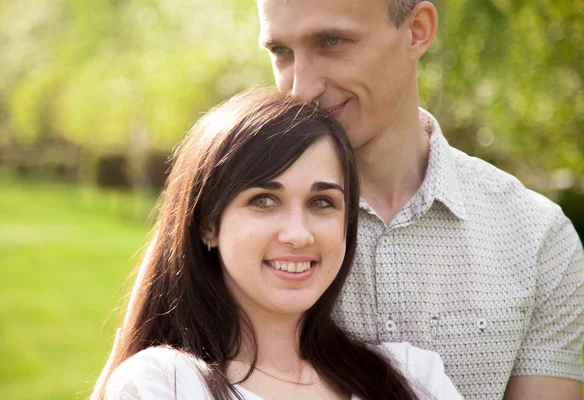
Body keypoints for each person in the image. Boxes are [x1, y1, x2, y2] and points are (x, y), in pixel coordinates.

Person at [253, 0, 584, 399]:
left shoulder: (537, 238)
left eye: (332, 41)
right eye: (281, 51)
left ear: (417, 31)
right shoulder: (233, 222)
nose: (301, 88)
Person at [92, 89, 463, 400]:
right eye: (264, 201)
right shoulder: (167, 384)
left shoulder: (413, 377)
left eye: (322, 203)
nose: (298, 234)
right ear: (207, 224)